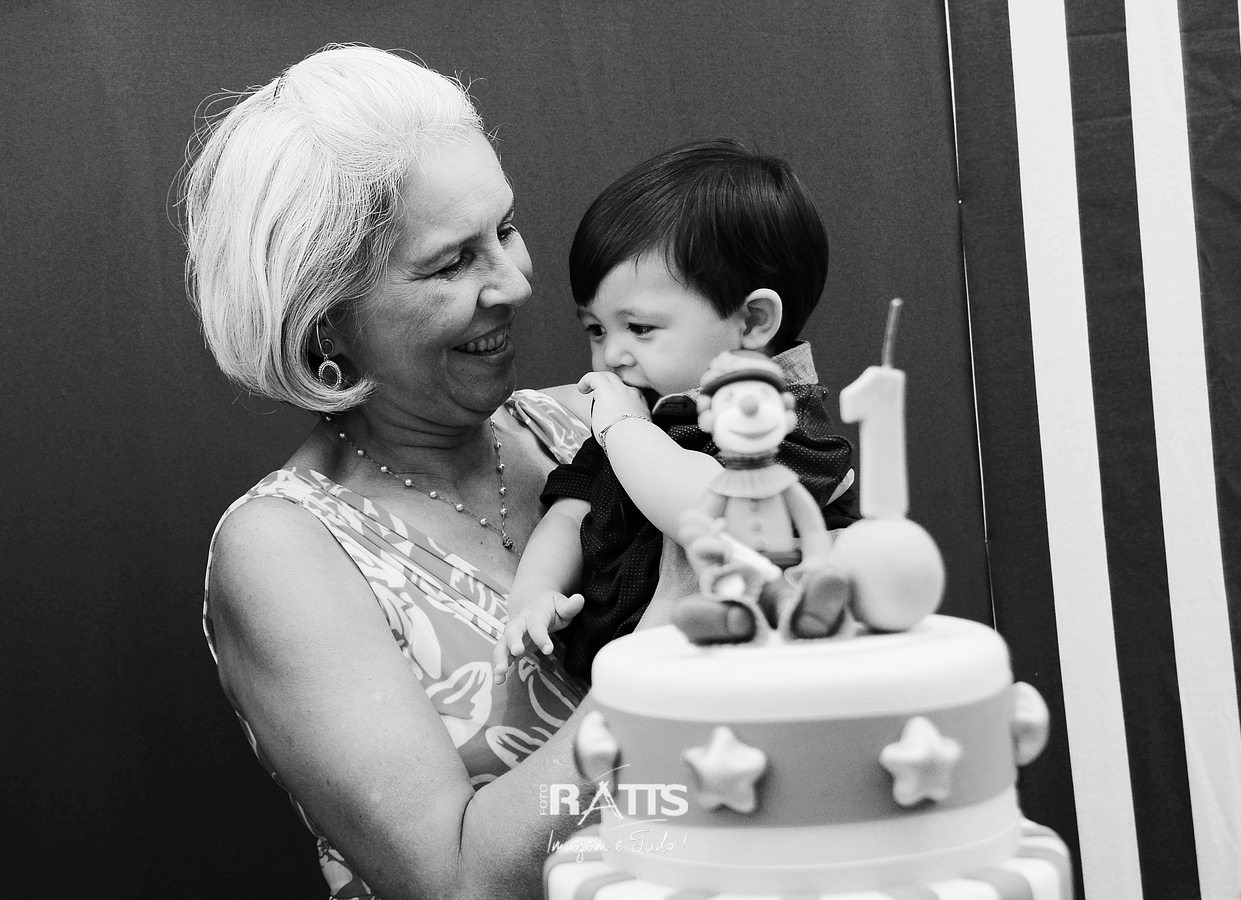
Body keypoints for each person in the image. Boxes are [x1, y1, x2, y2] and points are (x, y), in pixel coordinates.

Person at [181, 44, 603, 900]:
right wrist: (661, 658)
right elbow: (454, 881)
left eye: (505, 230)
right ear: (324, 318)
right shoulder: (286, 550)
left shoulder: (594, 428)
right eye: (451, 262)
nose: (515, 283)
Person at [494, 140, 859, 682]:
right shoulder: (639, 417)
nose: (612, 355)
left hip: (751, 684)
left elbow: (707, 513)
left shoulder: (779, 425)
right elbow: (569, 514)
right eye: (596, 329)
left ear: (753, 321)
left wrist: (625, 428)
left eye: (639, 328)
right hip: (628, 688)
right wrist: (536, 591)